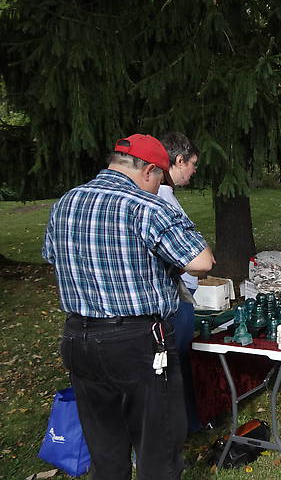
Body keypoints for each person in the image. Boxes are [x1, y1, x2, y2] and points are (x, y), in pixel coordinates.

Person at [43, 134, 214, 480]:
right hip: (136, 341)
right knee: (157, 449)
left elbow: (52, 255)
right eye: (159, 179)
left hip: (78, 339)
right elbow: (202, 262)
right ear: (149, 170)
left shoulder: (66, 201)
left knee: (105, 451)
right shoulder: (146, 206)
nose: (159, 187)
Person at [156, 131, 202, 434]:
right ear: (179, 159)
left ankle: (188, 421)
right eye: (193, 164)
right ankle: (180, 425)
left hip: (180, 293)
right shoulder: (160, 198)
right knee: (175, 363)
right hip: (174, 296)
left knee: (181, 361)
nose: (194, 171)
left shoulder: (166, 195)